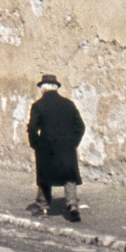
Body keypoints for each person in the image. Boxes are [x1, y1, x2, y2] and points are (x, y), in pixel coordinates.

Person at [26, 73, 85, 221]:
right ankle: (72, 205)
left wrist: (36, 144)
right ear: (56, 88)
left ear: (43, 89)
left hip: (47, 147)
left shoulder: (38, 106)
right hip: (67, 147)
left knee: (45, 176)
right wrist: (73, 142)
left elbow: (32, 128)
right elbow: (80, 126)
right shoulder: (68, 104)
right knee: (69, 175)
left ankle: (43, 206)